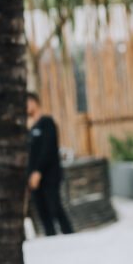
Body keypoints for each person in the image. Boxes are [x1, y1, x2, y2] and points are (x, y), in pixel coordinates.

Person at [27, 92, 74, 236]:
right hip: (33, 178)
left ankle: (69, 234)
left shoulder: (47, 122)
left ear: (34, 102)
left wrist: (38, 171)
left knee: (55, 206)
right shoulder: (30, 128)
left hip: (49, 175)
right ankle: (51, 237)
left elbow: (48, 149)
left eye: (27, 103)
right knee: (42, 211)